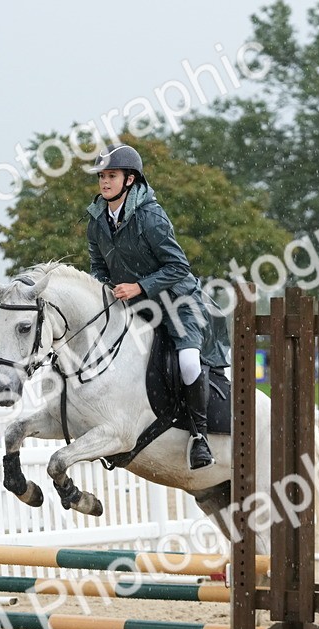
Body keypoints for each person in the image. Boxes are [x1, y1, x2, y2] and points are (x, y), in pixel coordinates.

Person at [85, 143, 226, 470]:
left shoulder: (150, 216)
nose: (104, 182)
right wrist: (106, 288)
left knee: (189, 362)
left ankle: (199, 437)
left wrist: (139, 285)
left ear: (130, 180)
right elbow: (98, 267)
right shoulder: (97, 221)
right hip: (137, 306)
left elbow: (179, 267)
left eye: (112, 176)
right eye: (101, 176)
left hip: (178, 302)